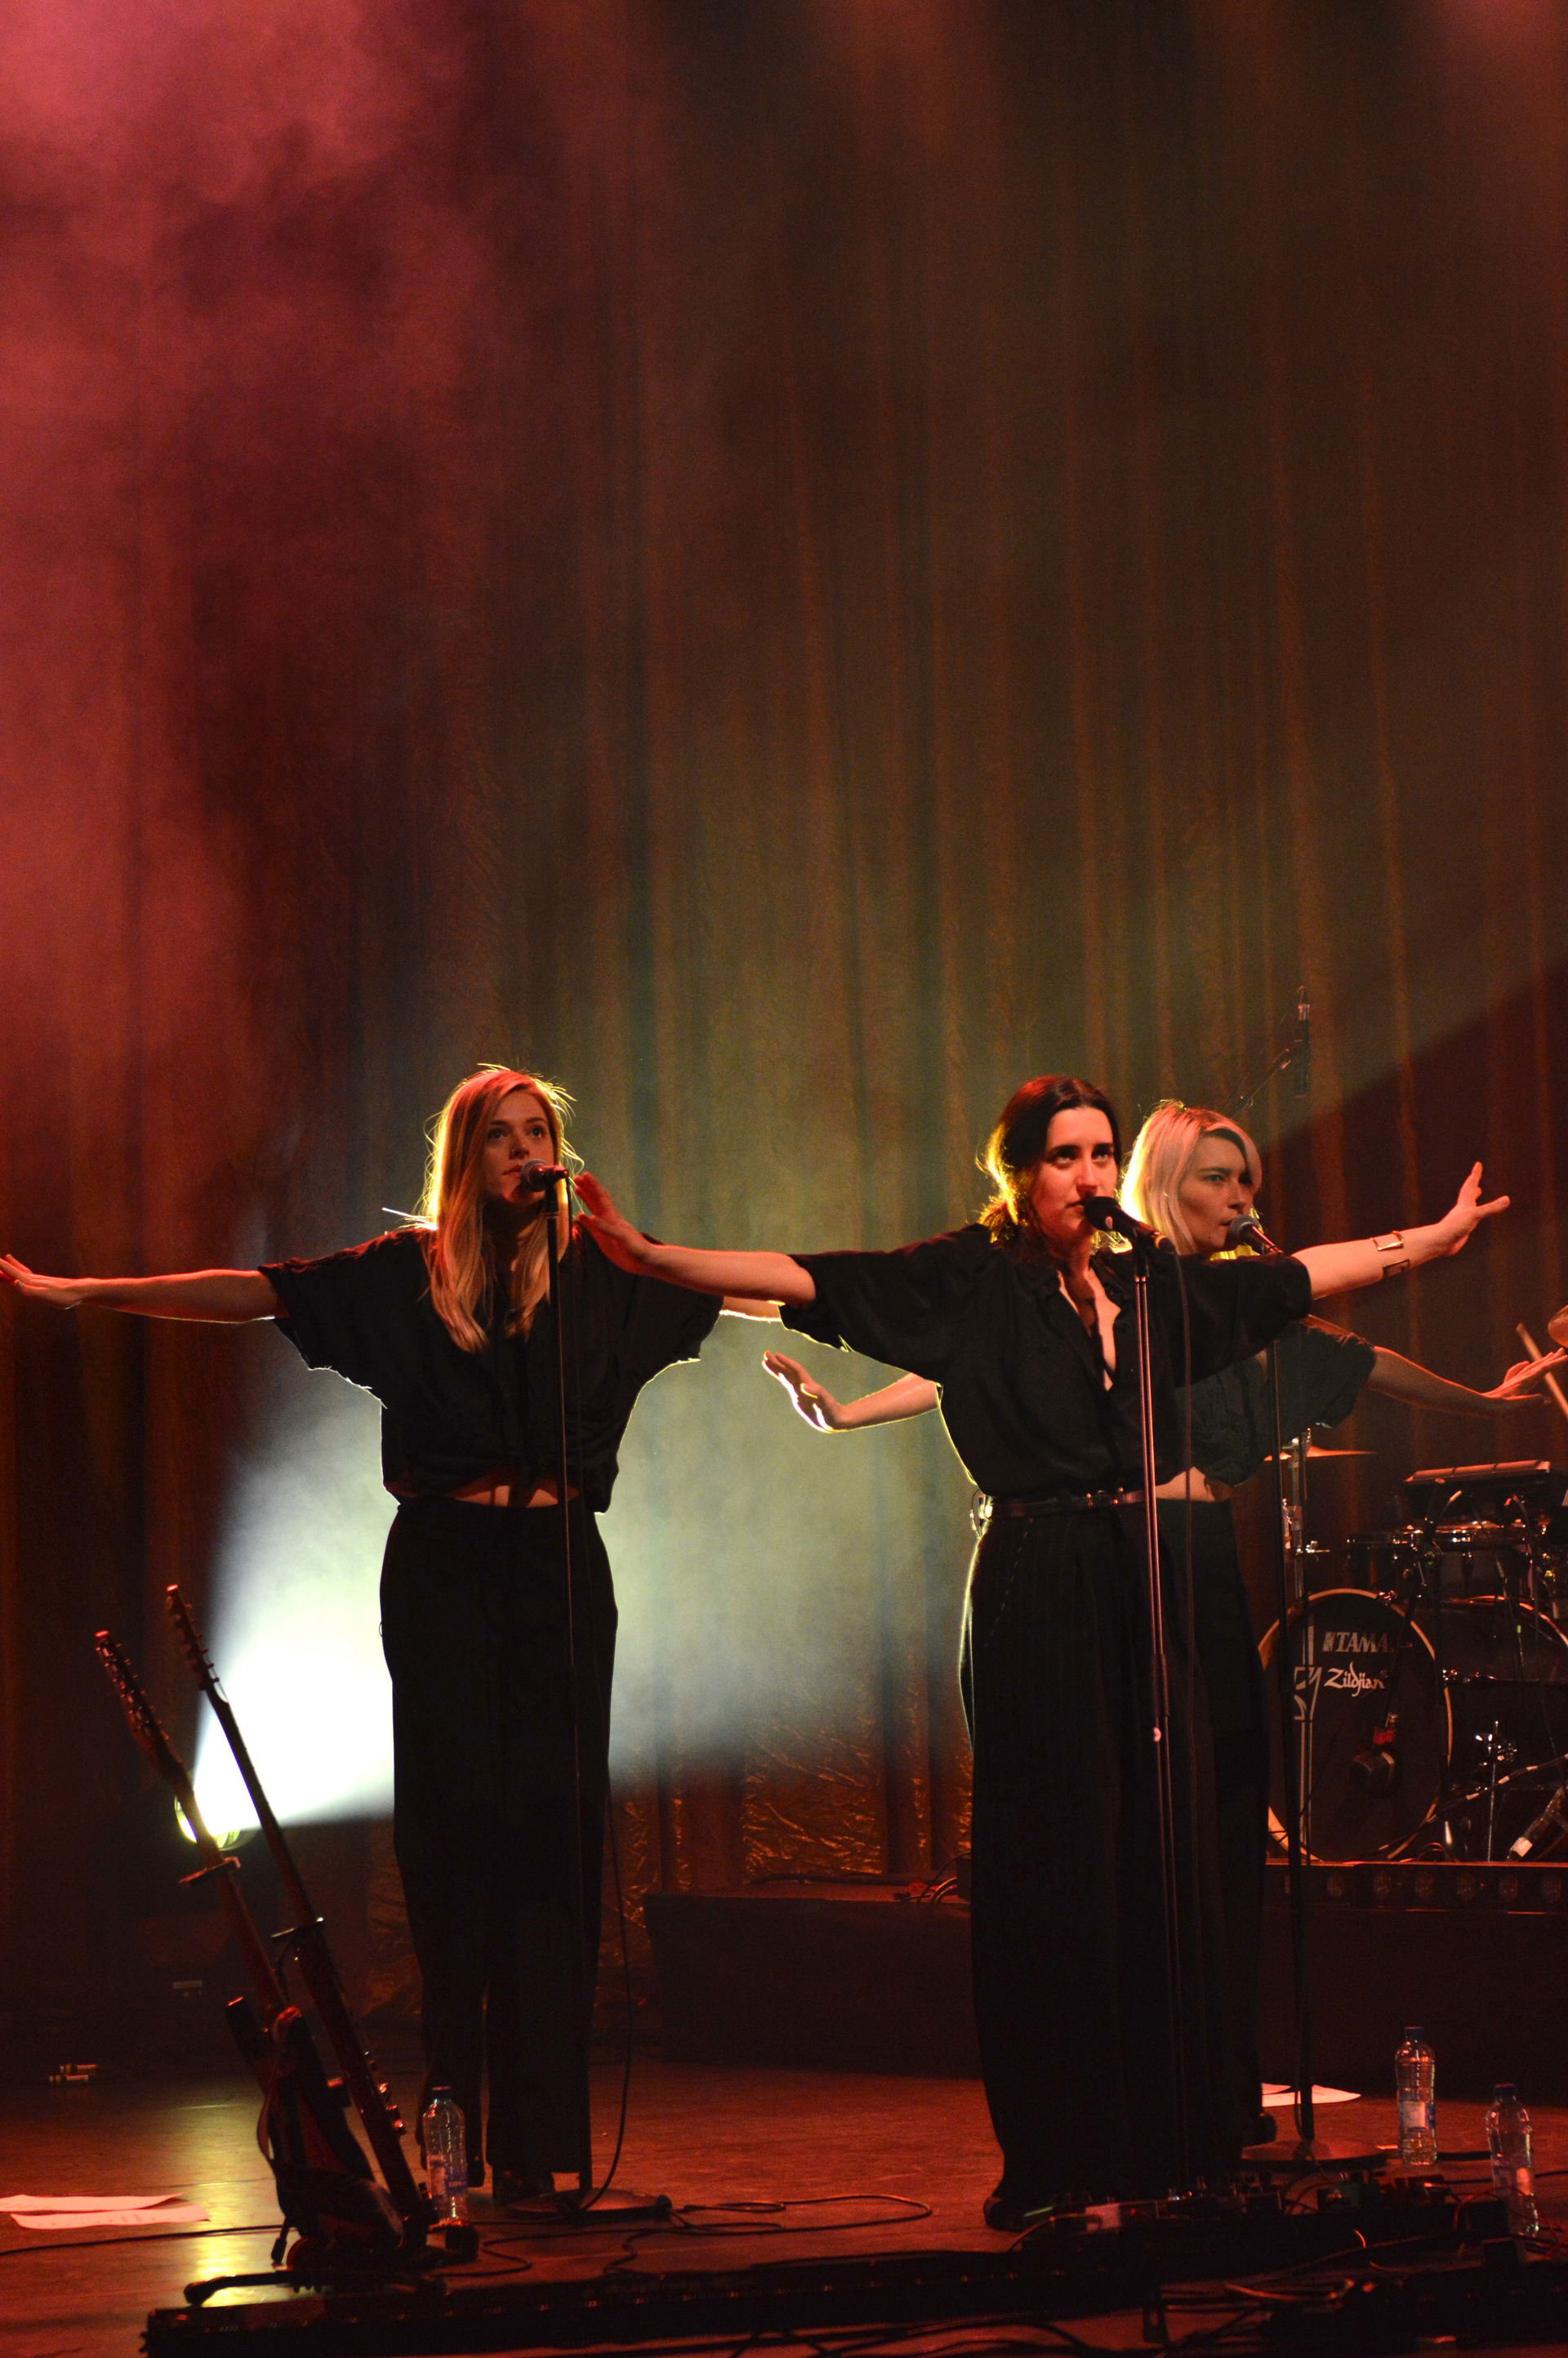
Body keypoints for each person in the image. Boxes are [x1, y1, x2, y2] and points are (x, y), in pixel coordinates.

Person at [573, 1074, 1512, 2223]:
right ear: (1019, 1174)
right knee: (1058, 1870)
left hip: (1149, 1572)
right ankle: (1061, 2161)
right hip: (1040, 1575)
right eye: (1066, 1157)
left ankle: (1169, 2142)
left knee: (1161, 1858)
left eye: (1104, 1154)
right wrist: (653, 1256)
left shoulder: (1146, 1281)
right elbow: (807, 1279)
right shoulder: (973, 1277)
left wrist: (1435, 1239)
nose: (1091, 1176)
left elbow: (1303, 1279)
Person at [2, 1066, 767, 2203]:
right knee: (456, 1837)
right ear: (466, 1160)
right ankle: (453, 2121)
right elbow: (256, 1291)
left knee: (555, 1839)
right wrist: (90, 1292)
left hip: (561, 1569)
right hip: (444, 1568)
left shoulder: (606, 1278)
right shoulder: (405, 1281)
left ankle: (546, 2151)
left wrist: (677, 1260)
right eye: (501, 1136)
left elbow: (756, 1287)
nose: (524, 1153)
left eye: (539, 1132)